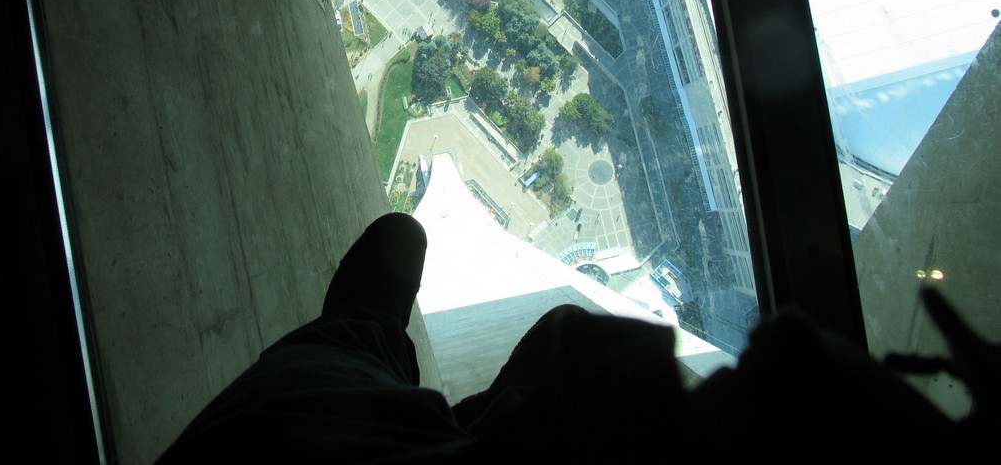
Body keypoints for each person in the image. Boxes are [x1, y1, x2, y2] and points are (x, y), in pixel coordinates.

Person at [157, 213, 996, 463]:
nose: (784, 322)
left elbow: (576, 342)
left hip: (303, 425)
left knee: (396, 255)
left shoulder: (617, 406)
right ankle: (453, 410)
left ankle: (394, 360)